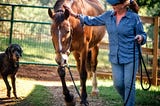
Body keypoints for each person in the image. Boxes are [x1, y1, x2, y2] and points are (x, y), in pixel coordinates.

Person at [64, 0, 147, 106]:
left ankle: (129, 104)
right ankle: (129, 101)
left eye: (116, 4)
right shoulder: (109, 16)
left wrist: (141, 38)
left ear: (124, 5)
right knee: (118, 85)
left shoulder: (134, 18)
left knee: (129, 85)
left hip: (131, 56)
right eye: (112, 4)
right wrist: (74, 14)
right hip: (115, 57)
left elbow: (143, 34)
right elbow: (91, 20)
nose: (113, 6)